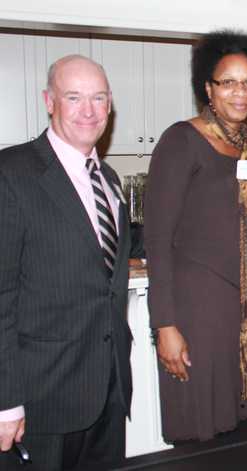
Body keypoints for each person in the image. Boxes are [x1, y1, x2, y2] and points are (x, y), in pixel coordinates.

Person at [0, 54, 132, 470]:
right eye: (74, 97)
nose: (89, 111)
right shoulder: (11, 174)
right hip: (41, 399)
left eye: (98, 98)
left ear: (110, 105)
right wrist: (6, 403)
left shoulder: (108, 180)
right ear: (49, 101)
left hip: (108, 391)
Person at [143, 30, 247, 443]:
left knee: (239, 430)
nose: (240, 93)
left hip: (238, 310)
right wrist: (164, 324)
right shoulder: (182, 140)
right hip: (195, 312)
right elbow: (157, 240)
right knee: (200, 434)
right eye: (228, 82)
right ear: (208, 87)